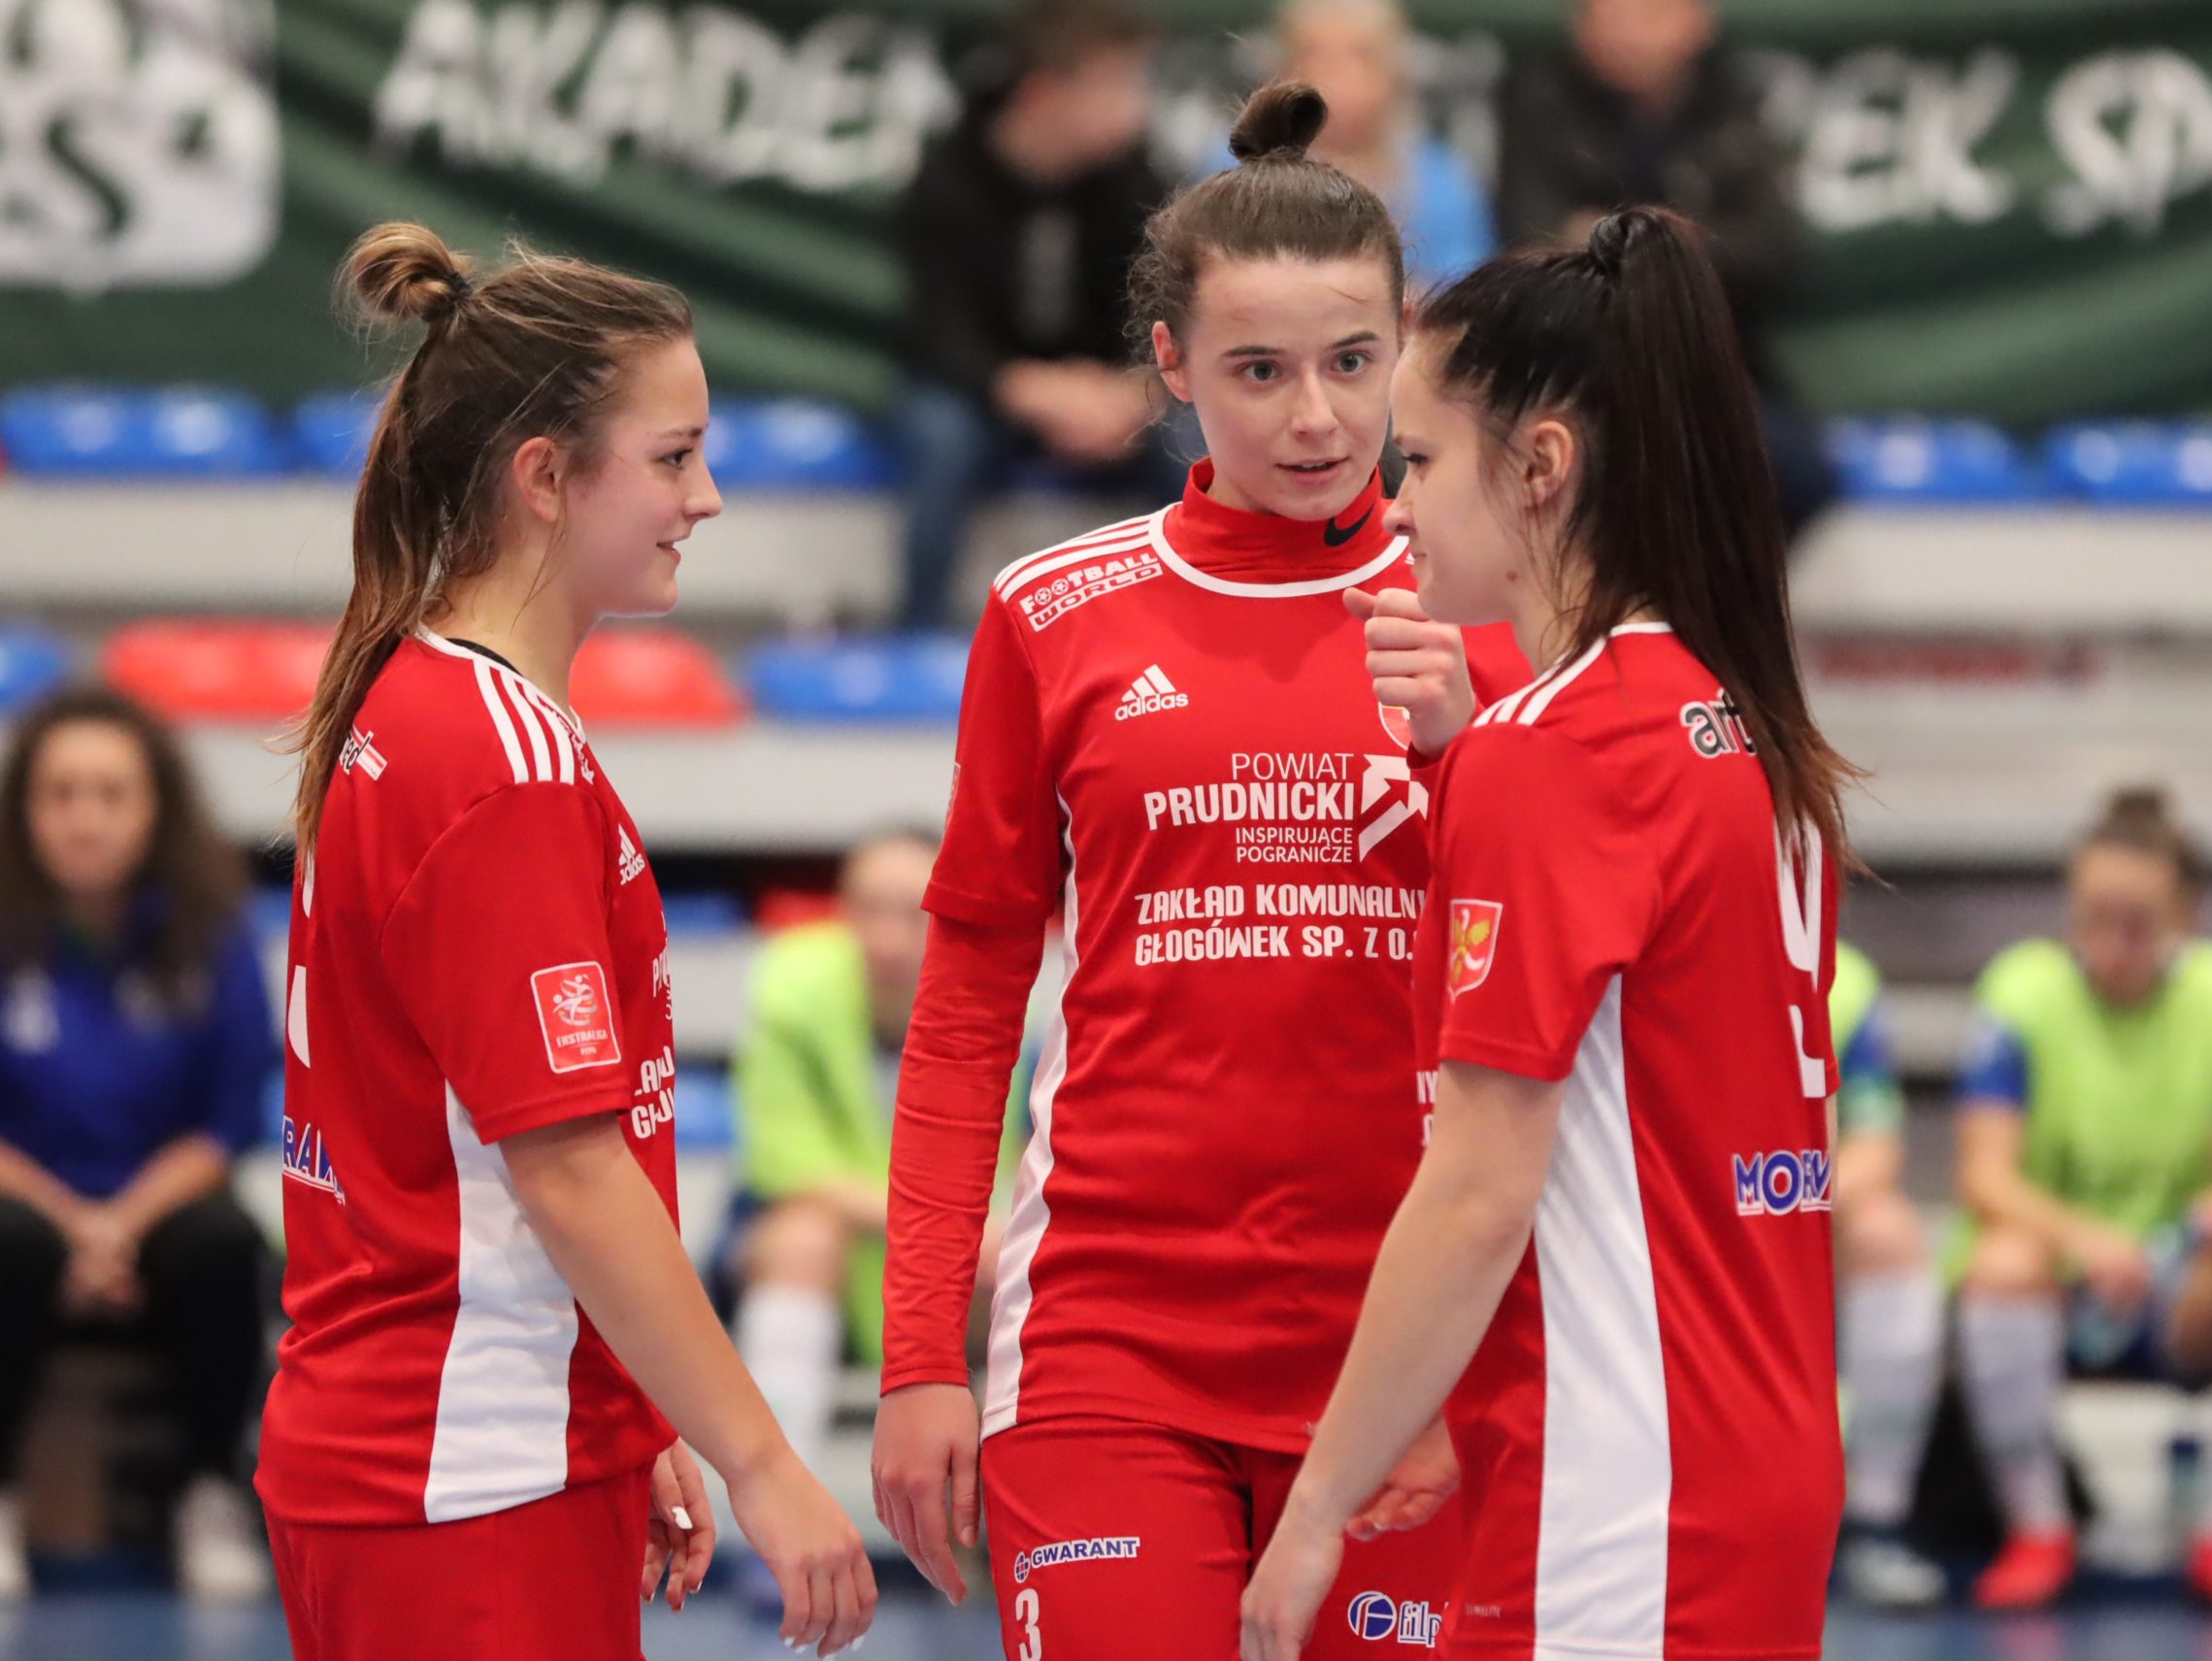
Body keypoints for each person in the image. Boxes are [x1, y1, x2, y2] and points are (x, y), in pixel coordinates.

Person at [873, 82, 1531, 1661]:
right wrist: (920, 1354)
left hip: (1413, 1352)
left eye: (1353, 362)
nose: (1315, 418)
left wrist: (1472, 756)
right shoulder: (1052, 613)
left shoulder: (1504, 621)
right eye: (1257, 369)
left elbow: (1567, 998)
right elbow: (964, 1010)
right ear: (1169, 362)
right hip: (1109, 1343)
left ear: (1408, 344)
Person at [1244, 203, 1857, 1661]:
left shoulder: (1563, 746)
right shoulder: (1742, 723)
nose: (1392, 505)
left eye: (1419, 459)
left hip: (1617, 1485)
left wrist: (1317, 1500)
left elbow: (1478, 1187)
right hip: (1745, 1449)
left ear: (1542, 466)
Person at [255, 221, 874, 1661]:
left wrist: (619, 1407)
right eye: (673, 457)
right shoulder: (499, 763)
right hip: (463, 1471)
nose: (705, 496)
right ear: (544, 477)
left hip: (446, 1446)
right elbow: (569, 1166)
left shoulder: (424, 697)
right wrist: (765, 1460)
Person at [1950, 787, 2212, 1613]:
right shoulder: (2019, 992)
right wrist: (2086, 1240)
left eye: (2139, 921)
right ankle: (2038, 1529)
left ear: (2185, 916)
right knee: (1999, 1265)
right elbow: (1985, 1177)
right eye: (2095, 915)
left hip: (2182, 1285)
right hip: (2061, 1280)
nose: (2113, 941)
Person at [0, 686, 278, 1604]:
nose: (85, 817)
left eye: (111, 793)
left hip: (162, 1204)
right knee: (8, 1242)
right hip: (25, 1202)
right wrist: (73, 1222)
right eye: (61, 792)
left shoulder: (212, 932)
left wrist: (118, 1222)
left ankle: (209, 1495)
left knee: (225, 1243)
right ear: (26, 807)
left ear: (155, 807)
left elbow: (227, 1120)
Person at [721, 828, 1020, 1489]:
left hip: (961, 1270)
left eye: (910, 913)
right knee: (801, 1239)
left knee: (1022, 1266)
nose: (886, 938)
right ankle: (783, 1490)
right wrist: (949, 1232)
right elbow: (785, 1162)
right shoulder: (791, 990)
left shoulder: (1002, 998)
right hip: (854, 1251)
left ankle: (1000, 1504)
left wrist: (981, 1242)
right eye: (868, 910)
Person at [892, 0, 1187, 631]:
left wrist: (1134, 390)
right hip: (986, 390)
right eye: (1115, 86)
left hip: (1111, 392)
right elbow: (936, 329)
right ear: (1043, 94)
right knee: (939, 433)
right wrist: (1030, 389)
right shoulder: (946, 176)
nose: (1134, 107)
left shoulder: (1140, 175)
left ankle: (1217, 615)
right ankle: (919, 631)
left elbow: (1170, 310)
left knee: (1195, 438)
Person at [1493, 0, 1835, 541]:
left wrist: (1624, 238)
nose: (1628, 32)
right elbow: (1531, 237)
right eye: (1611, 13)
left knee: (1798, 470)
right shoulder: (1540, 100)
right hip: (1578, 360)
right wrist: (1681, 242)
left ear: (1697, 24)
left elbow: (1772, 248)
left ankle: (1721, 588)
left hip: (1712, 358)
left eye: (1650, 14)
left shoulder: (1733, 104)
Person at [1197, 0, 1493, 292]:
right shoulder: (1233, 168)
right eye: (1314, 54)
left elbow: (1464, 292)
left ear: (1395, 73)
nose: (1337, 77)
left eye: (1362, 57)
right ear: (1279, 70)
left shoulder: (1443, 182)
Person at [1828, 940, 1946, 1609]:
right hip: (1671, 1218)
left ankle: (1877, 1520)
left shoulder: (1846, 978)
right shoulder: (1652, 944)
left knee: (1890, 1238)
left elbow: (1876, 1144)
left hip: (1784, 1213)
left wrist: (1788, 1212)